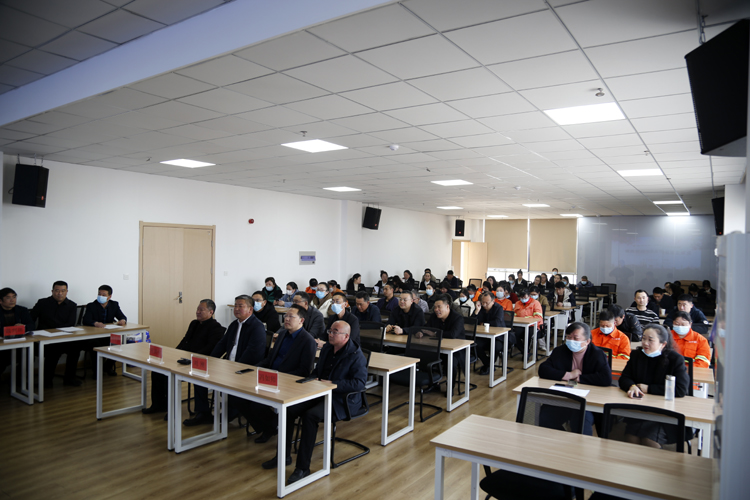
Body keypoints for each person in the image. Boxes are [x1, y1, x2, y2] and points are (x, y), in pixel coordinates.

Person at [263, 321, 367, 484]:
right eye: (330, 331)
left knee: (310, 416)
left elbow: (359, 383)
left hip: (341, 399)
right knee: (288, 409)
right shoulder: (327, 348)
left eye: (335, 332)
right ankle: (283, 456)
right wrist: (310, 380)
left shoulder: (355, 354)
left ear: (346, 336)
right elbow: (317, 372)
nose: (330, 334)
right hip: (319, 392)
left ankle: (303, 467)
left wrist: (333, 384)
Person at [183, 295, 266, 426]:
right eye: (235, 306)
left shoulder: (257, 327)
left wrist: (234, 368)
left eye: (240, 306)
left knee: (229, 386)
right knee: (199, 375)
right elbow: (221, 344)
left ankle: (232, 411)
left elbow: (253, 353)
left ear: (250, 309)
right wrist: (210, 360)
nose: (236, 309)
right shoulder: (234, 324)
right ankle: (203, 413)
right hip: (228, 365)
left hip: (245, 369)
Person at [239, 304, 316, 443]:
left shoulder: (307, 340)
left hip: (288, 382)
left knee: (256, 404)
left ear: (301, 320)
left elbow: (304, 371)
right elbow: (270, 359)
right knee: (240, 397)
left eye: (291, 316)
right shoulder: (282, 335)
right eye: (286, 316)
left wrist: (279, 377)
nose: (286, 319)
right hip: (270, 377)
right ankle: (270, 426)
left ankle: (269, 427)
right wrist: (255, 368)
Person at [142, 300, 225, 415]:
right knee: (157, 371)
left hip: (199, 362)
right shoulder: (194, 323)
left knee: (171, 374)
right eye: (197, 309)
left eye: (201, 310)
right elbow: (185, 341)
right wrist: (174, 353)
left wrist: (192, 358)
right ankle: (159, 405)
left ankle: (173, 410)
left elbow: (210, 349)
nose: (197, 312)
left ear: (211, 312)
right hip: (185, 359)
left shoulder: (216, 328)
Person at [619, 324, 689, 448]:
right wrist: (632, 386)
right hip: (640, 408)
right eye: (643, 338)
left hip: (664, 411)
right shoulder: (637, 355)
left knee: (649, 440)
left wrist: (649, 389)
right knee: (631, 438)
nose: (645, 343)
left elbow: (680, 389)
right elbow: (624, 378)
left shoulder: (675, 359)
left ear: (663, 344)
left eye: (650, 340)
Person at [538, 322, 612, 435]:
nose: (571, 341)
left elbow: (606, 378)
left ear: (587, 341)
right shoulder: (560, 351)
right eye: (568, 337)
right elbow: (543, 369)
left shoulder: (597, 354)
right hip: (564, 397)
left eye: (576, 338)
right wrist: (569, 375)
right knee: (545, 417)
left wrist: (579, 378)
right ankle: (562, 441)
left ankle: (579, 446)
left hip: (588, 401)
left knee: (581, 421)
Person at [31, 281, 81, 387]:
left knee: (76, 348)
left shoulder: (72, 305)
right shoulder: (42, 303)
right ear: (52, 291)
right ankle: (46, 381)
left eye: (63, 291)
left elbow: (71, 323)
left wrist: (57, 330)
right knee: (54, 350)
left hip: (63, 337)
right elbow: (31, 319)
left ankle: (69, 378)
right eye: (57, 291)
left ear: (67, 292)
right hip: (44, 338)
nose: (60, 293)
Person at [82, 285, 127, 377]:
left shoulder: (114, 305)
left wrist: (122, 321)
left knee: (118, 343)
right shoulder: (91, 306)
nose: (100, 296)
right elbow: (86, 320)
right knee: (95, 345)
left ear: (109, 297)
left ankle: (107, 367)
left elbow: (122, 316)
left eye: (103, 295)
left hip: (108, 334)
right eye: (99, 294)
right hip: (94, 336)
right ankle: (96, 371)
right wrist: (95, 323)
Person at [0, 287, 35, 377]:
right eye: (8, 298)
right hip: (2, 345)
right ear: (0, 301)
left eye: (14, 297)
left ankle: (19, 380)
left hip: (19, 343)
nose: (12, 300)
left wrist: (23, 327)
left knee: (29, 356)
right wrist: (11, 330)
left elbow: (32, 325)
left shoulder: (22, 310)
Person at [475, 292, 512, 375]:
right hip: (484, 336)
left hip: (499, 337)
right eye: (483, 302)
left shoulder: (498, 308)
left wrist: (484, 323)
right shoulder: (480, 308)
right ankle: (488, 364)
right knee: (476, 345)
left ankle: (488, 365)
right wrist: (477, 311)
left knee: (495, 347)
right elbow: (473, 322)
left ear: (493, 301)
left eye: (487, 303)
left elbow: (497, 322)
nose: (484, 305)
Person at [513, 288, 543, 352]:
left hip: (533, 325)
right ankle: (524, 351)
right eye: (521, 297)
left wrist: (526, 319)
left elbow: (538, 317)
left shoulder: (535, 303)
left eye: (525, 297)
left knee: (528, 334)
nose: (523, 299)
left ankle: (527, 351)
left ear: (529, 296)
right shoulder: (518, 303)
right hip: (521, 325)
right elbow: (514, 315)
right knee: (513, 334)